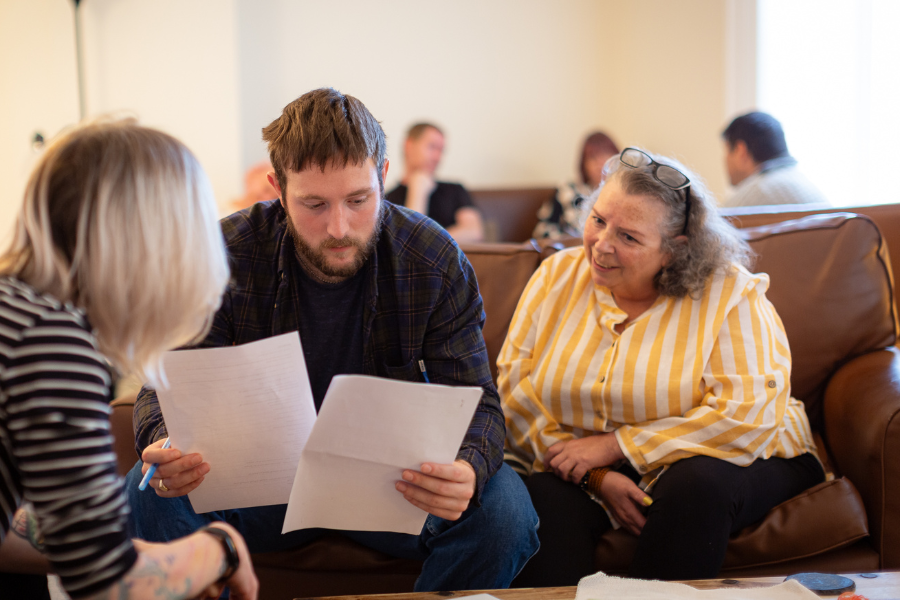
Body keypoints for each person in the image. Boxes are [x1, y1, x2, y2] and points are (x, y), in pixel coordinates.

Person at [125, 88, 538, 592]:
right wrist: (164, 445)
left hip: (392, 489)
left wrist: (468, 470)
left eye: (359, 200)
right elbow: (161, 388)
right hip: (255, 490)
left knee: (505, 513)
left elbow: (480, 406)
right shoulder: (222, 255)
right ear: (278, 187)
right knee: (147, 493)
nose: (339, 228)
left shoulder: (432, 259)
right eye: (314, 204)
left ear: (384, 176)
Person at [500, 147, 825, 585]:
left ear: (675, 249)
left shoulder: (729, 293)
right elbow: (516, 390)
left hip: (742, 452)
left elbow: (746, 414)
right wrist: (596, 476)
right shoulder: (556, 276)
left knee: (694, 487)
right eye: (598, 219)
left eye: (629, 237)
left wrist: (618, 447)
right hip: (590, 460)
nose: (601, 244)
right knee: (542, 497)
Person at [0, 119, 258, 599]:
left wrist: (116, 546)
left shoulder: (16, 313)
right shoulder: (50, 340)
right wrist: (219, 549)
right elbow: (106, 583)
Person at [386, 123, 484, 243]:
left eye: (441, 150)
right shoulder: (387, 200)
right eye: (432, 147)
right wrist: (417, 192)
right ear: (409, 146)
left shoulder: (455, 189)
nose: (438, 157)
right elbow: (409, 242)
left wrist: (427, 241)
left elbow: (474, 232)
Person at [721, 111, 827, 207]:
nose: (725, 160)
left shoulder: (752, 196)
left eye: (727, 151)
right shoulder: (807, 187)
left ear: (741, 152)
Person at [533, 131, 619, 240]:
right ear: (583, 164)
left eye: (605, 155)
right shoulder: (567, 191)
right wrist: (567, 242)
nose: (600, 163)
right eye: (593, 158)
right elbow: (542, 230)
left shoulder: (623, 194)